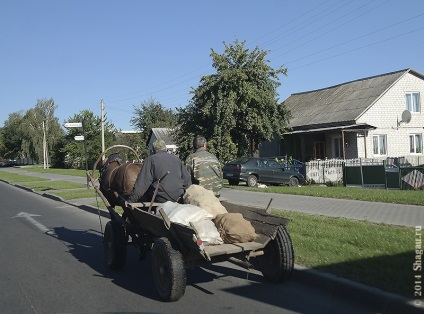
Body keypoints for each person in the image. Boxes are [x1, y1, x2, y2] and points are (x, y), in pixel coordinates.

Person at [127, 139, 191, 203]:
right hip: (178, 195)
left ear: (154, 150)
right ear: (165, 148)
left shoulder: (150, 160)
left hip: (162, 197)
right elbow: (187, 180)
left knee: (145, 194)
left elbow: (142, 184)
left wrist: (132, 200)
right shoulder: (176, 159)